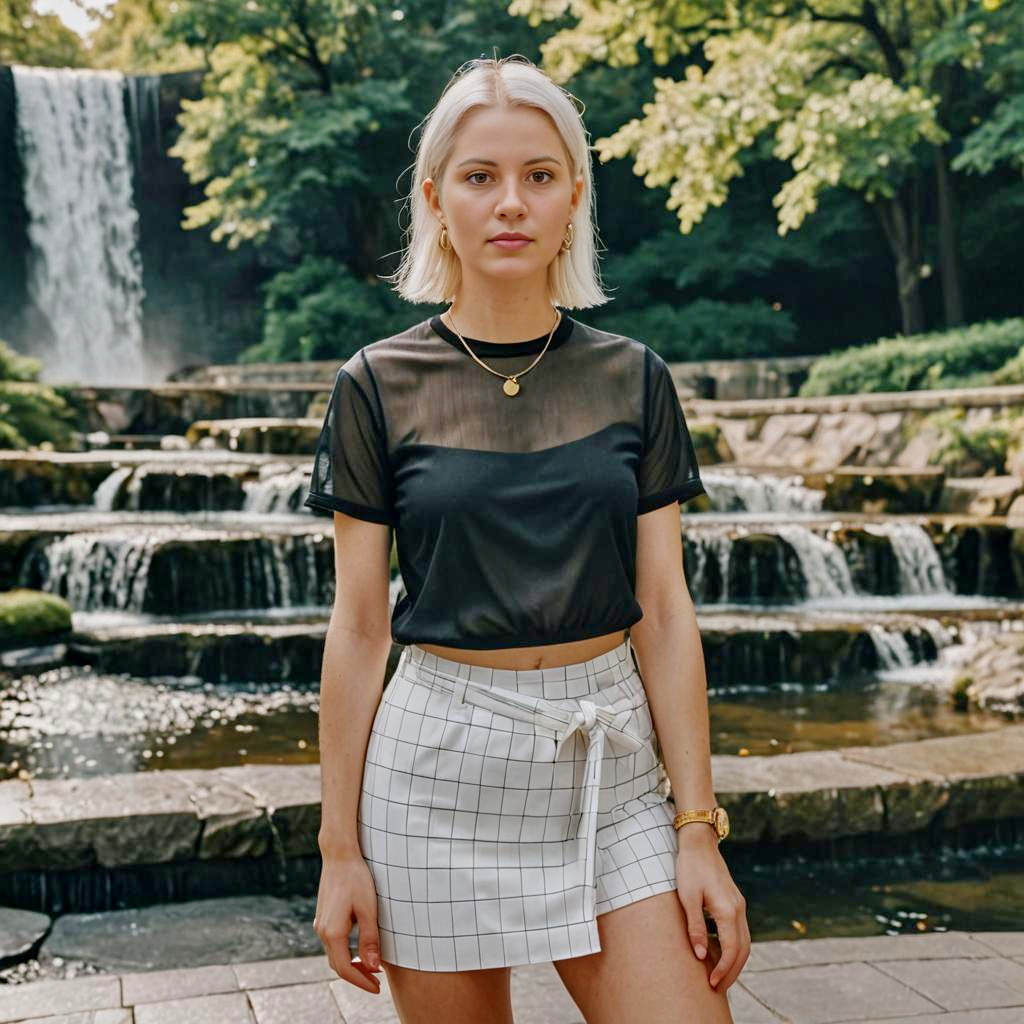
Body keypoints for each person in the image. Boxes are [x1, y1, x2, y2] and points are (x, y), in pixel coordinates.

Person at [306, 51, 749, 1024]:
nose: (510, 202)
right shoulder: (376, 386)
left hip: (613, 762)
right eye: (480, 176)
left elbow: (665, 615)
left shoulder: (634, 377)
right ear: (436, 200)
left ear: (571, 199)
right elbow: (359, 629)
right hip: (435, 778)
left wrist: (697, 827)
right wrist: (339, 848)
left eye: (538, 176)